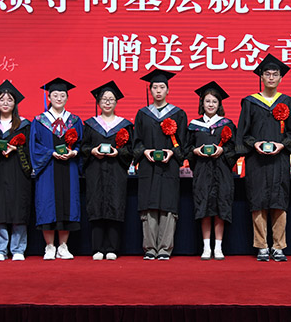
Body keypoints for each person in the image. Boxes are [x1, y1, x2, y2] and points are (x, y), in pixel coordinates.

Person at [236, 54, 291, 262]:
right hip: (256, 160)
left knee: (279, 201)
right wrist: (254, 144)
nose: (271, 77)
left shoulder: (288, 102)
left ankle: (279, 246)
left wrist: (283, 145)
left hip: (279, 160)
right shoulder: (250, 102)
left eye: (275, 74)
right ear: (261, 77)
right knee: (258, 201)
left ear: (281, 77)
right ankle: (262, 246)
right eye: (267, 74)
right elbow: (243, 132)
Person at [133, 69, 188, 261]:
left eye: (162, 87)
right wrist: (144, 152)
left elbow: (183, 142)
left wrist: (172, 152)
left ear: (168, 90)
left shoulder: (178, 114)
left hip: (169, 166)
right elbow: (136, 141)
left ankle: (165, 248)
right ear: (150, 90)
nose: (158, 90)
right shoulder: (142, 114)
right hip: (148, 167)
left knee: (168, 206)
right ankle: (150, 248)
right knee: (149, 205)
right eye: (155, 87)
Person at [30, 77, 83, 260]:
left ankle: (63, 246)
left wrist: (74, 152)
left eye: (62, 95)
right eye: (55, 95)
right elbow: (34, 146)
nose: (59, 98)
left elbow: (81, 144)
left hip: (69, 167)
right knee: (47, 204)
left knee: (68, 204)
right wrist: (50, 153)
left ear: (67, 97)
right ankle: (49, 247)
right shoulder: (39, 120)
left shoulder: (75, 121)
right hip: (48, 168)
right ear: (49, 97)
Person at [81, 81, 134, 261]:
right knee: (96, 206)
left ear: (116, 102)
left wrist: (118, 152)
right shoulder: (90, 125)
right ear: (98, 102)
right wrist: (92, 151)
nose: (108, 102)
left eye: (111, 99)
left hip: (116, 171)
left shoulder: (124, 125)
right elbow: (83, 148)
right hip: (95, 172)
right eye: (104, 99)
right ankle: (97, 248)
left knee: (115, 206)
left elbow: (130, 150)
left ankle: (112, 248)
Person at [185, 81, 238, 261]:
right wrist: (195, 151)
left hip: (222, 171)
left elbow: (234, 149)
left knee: (221, 208)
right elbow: (187, 148)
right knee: (204, 208)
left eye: (214, 101)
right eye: (207, 101)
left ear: (219, 104)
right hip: (202, 171)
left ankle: (218, 247)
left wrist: (223, 150)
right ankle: (206, 247)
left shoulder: (227, 124)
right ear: (202, 103)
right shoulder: (193, 125)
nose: (211, 104)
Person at [0, 80, 32, 262]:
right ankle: (0, 249)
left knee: (19, 209)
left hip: (18, 172)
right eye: (2, 99)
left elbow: (31, 150)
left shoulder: (24, 125)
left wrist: (16, 149)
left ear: (15, 103)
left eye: (10, 100)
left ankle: (18, 249)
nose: (5, 103)